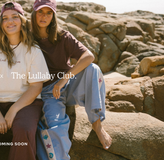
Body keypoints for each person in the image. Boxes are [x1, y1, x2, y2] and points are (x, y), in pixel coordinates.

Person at [31, 0, 112, 159]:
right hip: (48, 92)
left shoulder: (62, 35)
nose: (44, 16)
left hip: (68, 85)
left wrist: (63, 80)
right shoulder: (28, 37)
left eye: (49, 13)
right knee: (54, 127)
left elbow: (88, 56)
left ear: (53, 16)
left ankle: (97, 125)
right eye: (41, 12)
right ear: (34, 13)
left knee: (93, 69)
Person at [0, 2, 50, 160]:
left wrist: (13, 110)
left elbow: (36, 86)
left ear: (22, 20)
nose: (10, 21)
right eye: (5, 18)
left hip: (25, 103)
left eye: (14, 17)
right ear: (1, 23)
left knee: (24, 130)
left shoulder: (33, 49)